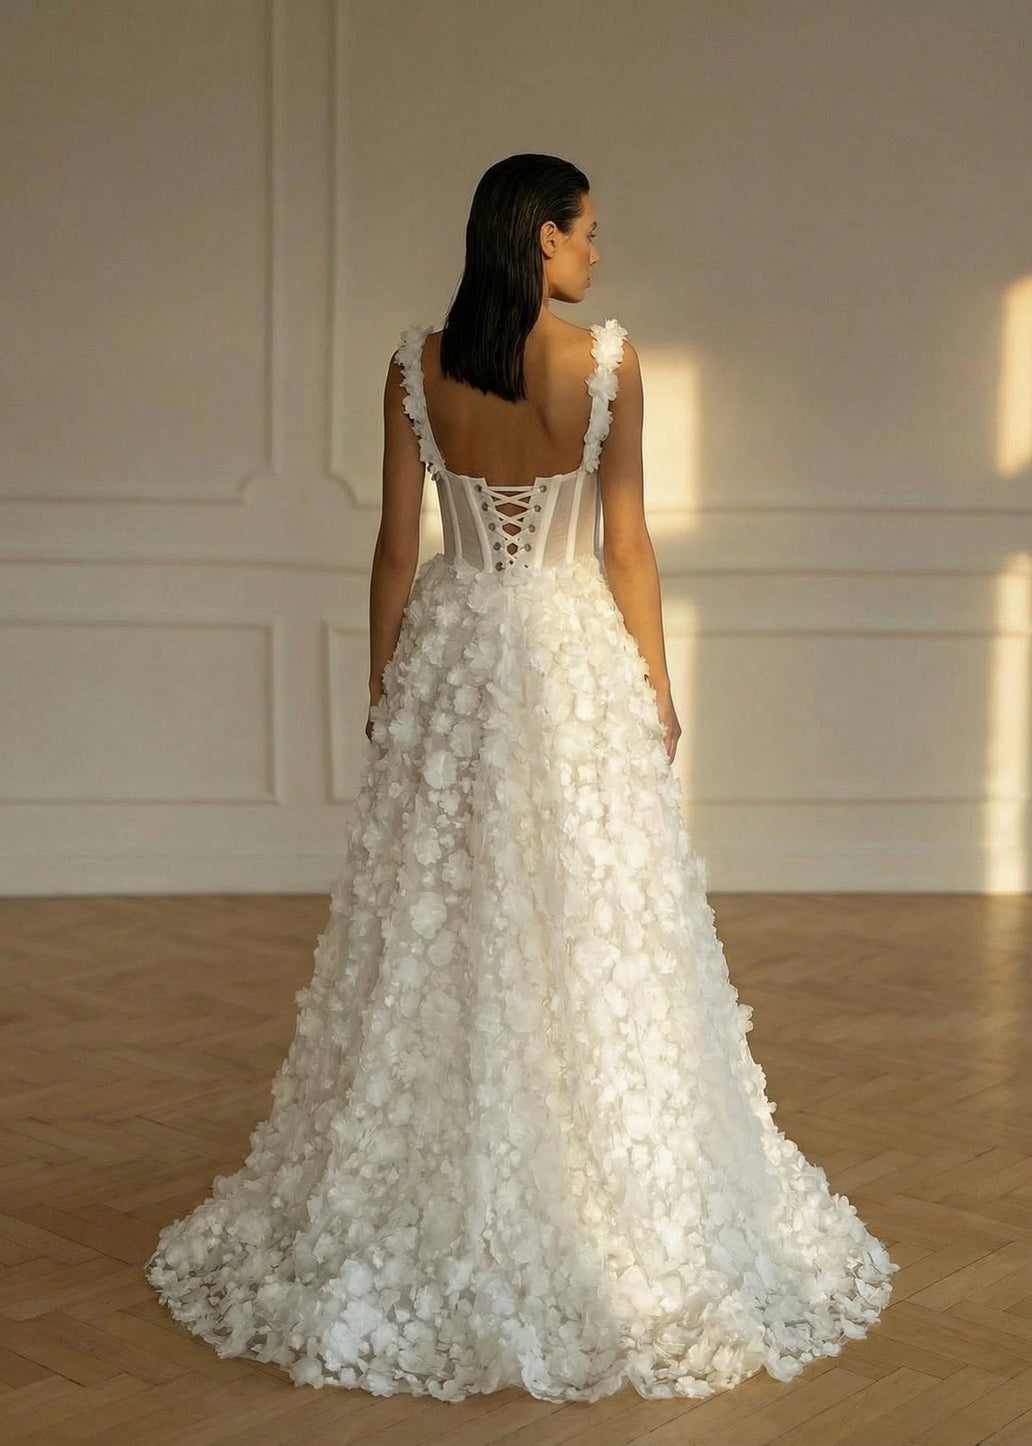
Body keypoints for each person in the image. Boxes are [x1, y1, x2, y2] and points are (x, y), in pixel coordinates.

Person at [146, 153, 898, 1404]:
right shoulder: (607, 363)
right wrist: (656, 687)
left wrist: (387, 690)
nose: (600, 254)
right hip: (566, 658)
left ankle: (451, 1170)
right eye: (589, 233)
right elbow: (628, 545)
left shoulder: (411, 363)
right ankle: (595, 1170)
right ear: (540, 241)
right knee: (590, 915)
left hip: (454, 656)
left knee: (447, 921)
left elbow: (398, 549)